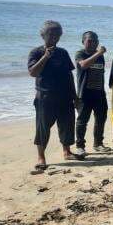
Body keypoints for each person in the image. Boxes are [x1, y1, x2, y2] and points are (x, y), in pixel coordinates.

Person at [28, 20, 83, 171]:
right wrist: (45, 56)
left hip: (65, 97)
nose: (54, 37)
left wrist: (75, 97)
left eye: (57, 34)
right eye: (51, 33)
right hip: (45, 98)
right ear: (42, 35)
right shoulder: (36, 52)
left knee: (67, 125)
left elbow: (69, 76)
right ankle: (41, 157)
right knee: (42, 128)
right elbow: (33, 72)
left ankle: (67, 151)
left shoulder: (63, 53)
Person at [75, 31, 110, 156]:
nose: (93, 43)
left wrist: (98, 53)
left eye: (95, 41)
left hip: (99, 93)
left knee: (101, 118)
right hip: (85, 94)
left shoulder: (99, 55)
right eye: (90, 41)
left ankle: (98, 143)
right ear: (83, 41)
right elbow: (83, 65)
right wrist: (99, 52)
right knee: (82, 121)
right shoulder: (80, 53)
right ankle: (80, 146)